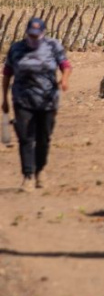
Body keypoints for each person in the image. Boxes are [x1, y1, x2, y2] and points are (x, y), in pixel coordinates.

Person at [2, 17, 72, 192]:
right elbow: (7, 73)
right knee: (25, 138)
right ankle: (28, 176)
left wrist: (64, 79)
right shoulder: (16, 48)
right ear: (26, 33)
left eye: (37, 35)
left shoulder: (53, 46)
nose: (34, 39)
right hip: (22, 99)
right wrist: (4, 98)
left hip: (47, 100)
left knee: (43, 138)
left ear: (43, 33)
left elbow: (65, 65)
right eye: (31, 35)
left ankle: (40, 170)